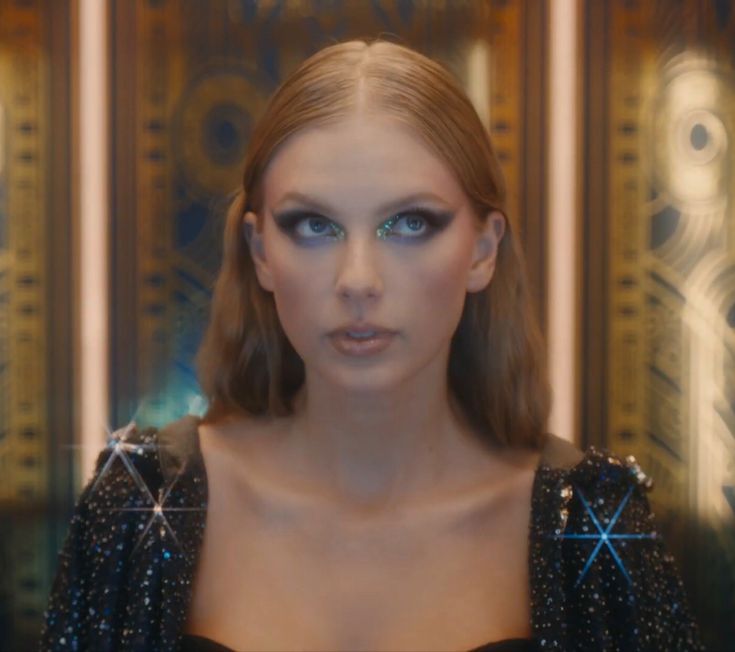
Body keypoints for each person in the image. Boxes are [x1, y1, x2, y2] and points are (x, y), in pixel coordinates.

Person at [39, 38, 703, 652]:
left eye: (408, 223)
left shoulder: (589, 526)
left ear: (481, 248)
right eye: (314, 225)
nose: (358, 280)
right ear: (260, 250)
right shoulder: (139, 507)